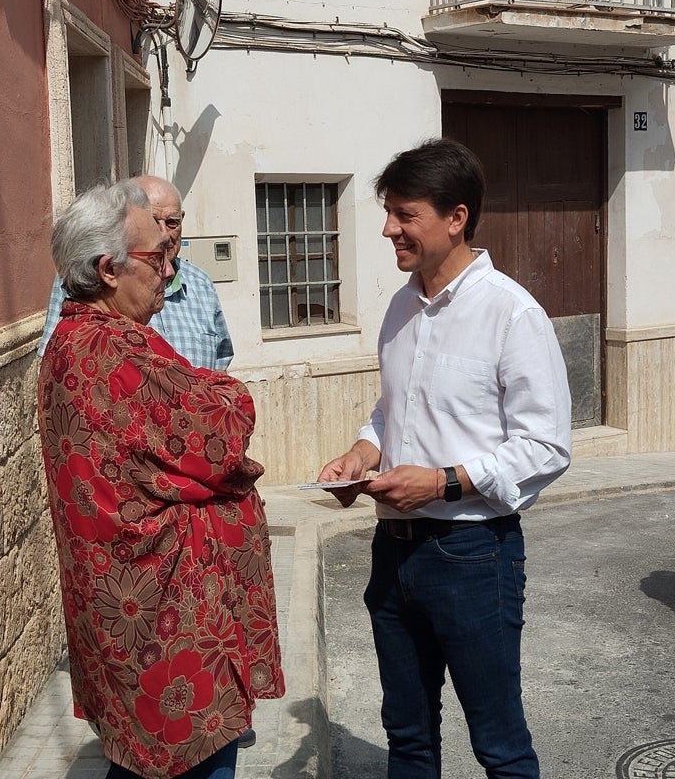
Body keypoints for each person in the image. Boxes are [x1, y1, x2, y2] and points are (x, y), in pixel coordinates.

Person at [316, 138, 573, 778]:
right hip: (393, 553)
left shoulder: (512, 314)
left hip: (473, 556)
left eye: (405, 215)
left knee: (499, 743)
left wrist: (441, 483)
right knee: (406, 737)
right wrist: (362, 452)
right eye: (389, 213)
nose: (388, 229)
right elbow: (393, 408)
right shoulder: (402, 306)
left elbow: (546, 446)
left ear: (456, 218)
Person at [37, 180, 284, 779]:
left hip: (131, 618)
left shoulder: (75, 343)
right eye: (158, 259)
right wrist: (224, 399)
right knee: (190, 761)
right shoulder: (114, 352)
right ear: (108, 269)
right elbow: (222, 430)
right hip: (169, 623)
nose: (171, 273)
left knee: (139, 761)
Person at [37, 175, 234, 371]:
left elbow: (219, 366)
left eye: (172, 222)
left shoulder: (201, 284)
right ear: (109, 270)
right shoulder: (81, 304)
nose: (164, 233)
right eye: (153, 221)